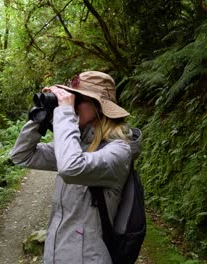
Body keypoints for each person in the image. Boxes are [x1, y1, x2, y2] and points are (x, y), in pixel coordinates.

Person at [10, 71, 142, 263]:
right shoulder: (78, 144)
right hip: (56, 254)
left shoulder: (119, 151)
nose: (72, 104)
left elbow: (71, 167)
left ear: (99, 106)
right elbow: (22, 155)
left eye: (77, 99)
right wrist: (42, 117)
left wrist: (65, 112)